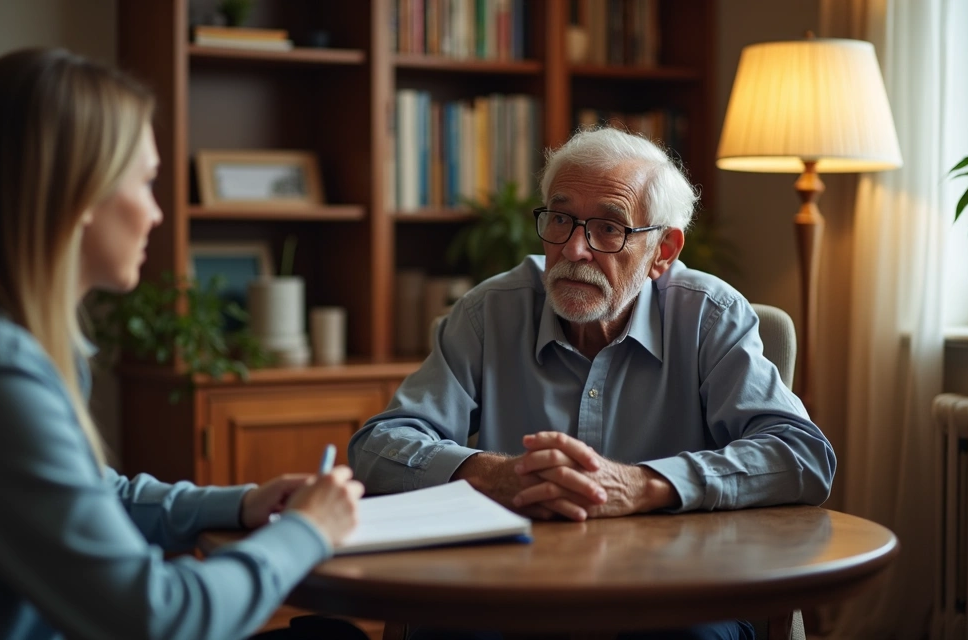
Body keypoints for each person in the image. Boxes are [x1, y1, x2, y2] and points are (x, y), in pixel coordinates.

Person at [0, 48, 364, 640]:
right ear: (77, 193)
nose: (156, 213)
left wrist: (242, 504)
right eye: (148, 182)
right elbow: (157, 619)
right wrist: (305, 530)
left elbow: (99, 496)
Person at [348, 127, 837, 640]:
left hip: (672, 588)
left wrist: (644, 486)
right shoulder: (491, 311)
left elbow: (801, 455)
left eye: (609, 228)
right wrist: (492, 475)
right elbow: (377, 446)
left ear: (663, 250)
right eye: (561, 219)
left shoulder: (709, 317)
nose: (575, 249)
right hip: (508, 587)